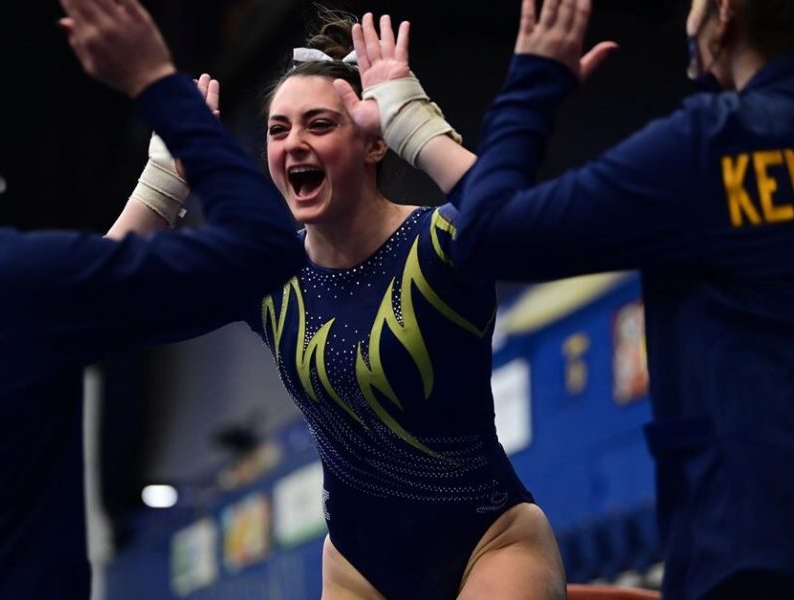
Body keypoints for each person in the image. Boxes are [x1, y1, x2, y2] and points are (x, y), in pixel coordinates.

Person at [115, 6, 616, 599]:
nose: (294, 143)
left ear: (374, 143)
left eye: (319, 125)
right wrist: (160, 187)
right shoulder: (269, 275)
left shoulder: (442, 241)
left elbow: (532, 229)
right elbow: (92, 303)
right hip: (358, 569)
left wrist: (419, 125)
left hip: (492, 542)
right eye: (278, 130)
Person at [0, 0, 305, 596]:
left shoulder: (18, 295)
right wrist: (157, 86)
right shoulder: (6, 282)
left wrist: (159, 188)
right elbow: (262, 248)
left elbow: (68, 311)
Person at [423, 0, 794, 598]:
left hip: (756, 552)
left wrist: (534, 81)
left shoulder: (710, 145)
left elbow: (491, 236)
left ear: (724, 16)